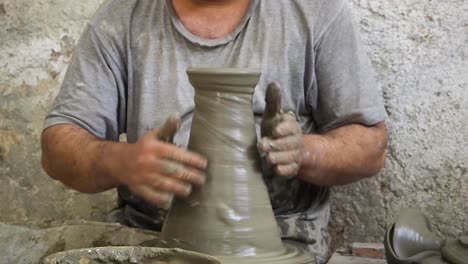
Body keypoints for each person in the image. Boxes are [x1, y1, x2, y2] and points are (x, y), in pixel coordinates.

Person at [41, 0, 388, 263]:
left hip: (284, 240)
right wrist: (121, 161)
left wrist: (304, 151)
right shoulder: (123, 18)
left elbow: (371, 146)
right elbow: (58, 146)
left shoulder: (314, 12)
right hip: (150, 236)